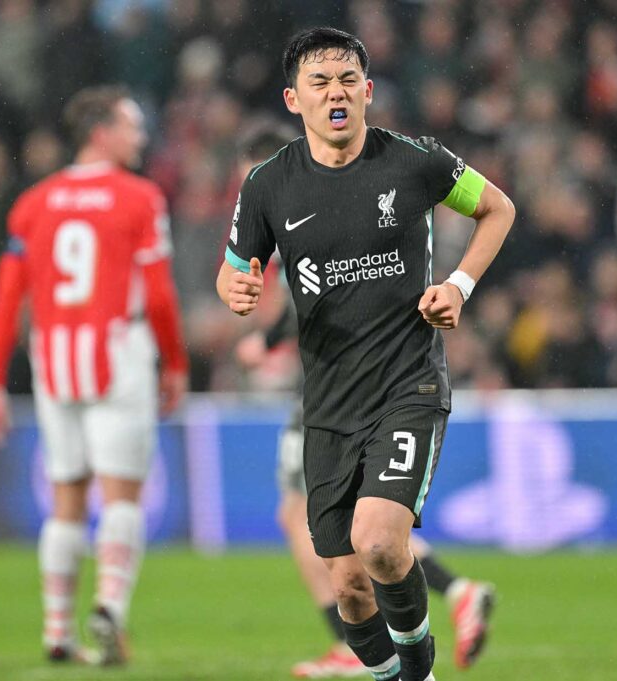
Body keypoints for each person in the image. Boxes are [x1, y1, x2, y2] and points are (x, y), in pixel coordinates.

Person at [217, 28, 514, 681]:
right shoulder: (268, 185)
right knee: (349, 585)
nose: (337, 93)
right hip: (327, 403)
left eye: (348, 80)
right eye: (320, 83)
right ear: (294, 99)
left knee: (379, 541)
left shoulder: (415, 161)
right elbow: (234, 269)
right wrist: (236, 288)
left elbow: (498, 209)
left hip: (407, 385)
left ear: (368, 90)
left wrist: (458, 285)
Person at [0, 85, 188, 666]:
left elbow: (7, 298)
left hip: (54, 357)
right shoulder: (140, 197)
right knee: (122, 494)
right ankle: (110, 607)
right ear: (101, 132)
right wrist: (175, 361)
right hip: (118, 351)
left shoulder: (34, 202)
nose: (141, 136)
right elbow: (159, 295)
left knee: (66, 498)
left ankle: (57, 630)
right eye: (131, 125)